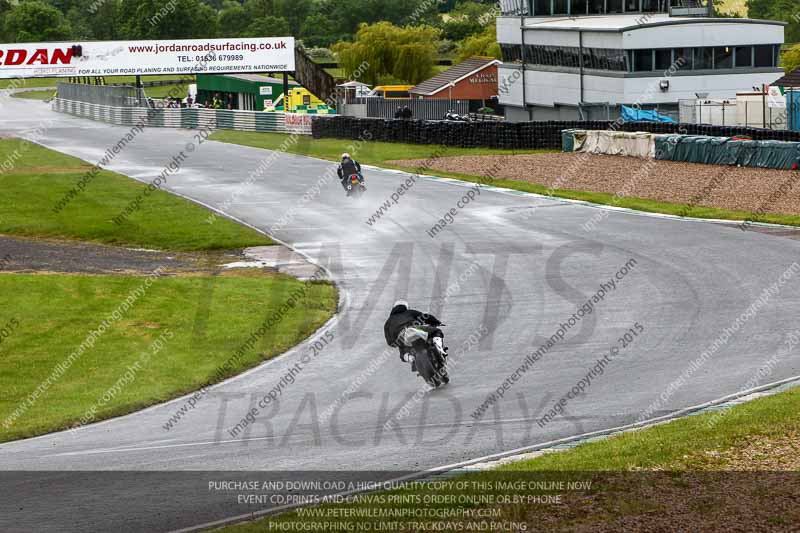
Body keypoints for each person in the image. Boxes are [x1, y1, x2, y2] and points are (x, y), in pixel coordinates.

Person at [383, 300, 447, 365]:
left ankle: (411, 358)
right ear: (405, 307)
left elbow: (390, 342)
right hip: (412, 329)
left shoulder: (387, 323)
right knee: (436, 331)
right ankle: (440, 350)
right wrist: (436, 322)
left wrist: (397, 343)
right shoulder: (408, 312)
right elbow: (425, 316)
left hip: (402, 338)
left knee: (402, 355)